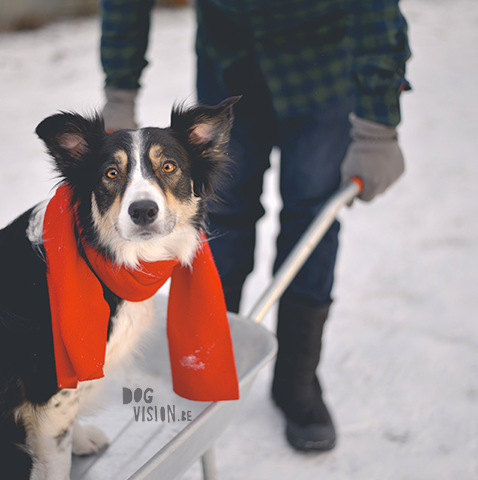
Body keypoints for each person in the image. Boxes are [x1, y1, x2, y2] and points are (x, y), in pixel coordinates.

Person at [100, 0, 411, 452]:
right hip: (229, 65)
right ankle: (206, 363)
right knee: (221, 216)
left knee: (312, 220)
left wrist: (378, 125)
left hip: (321, 75)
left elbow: (374, 9)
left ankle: (297, 382)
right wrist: (120, 92)